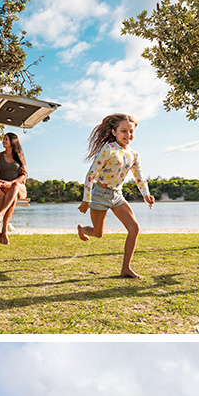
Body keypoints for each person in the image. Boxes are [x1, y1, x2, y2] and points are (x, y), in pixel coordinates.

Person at [77, 113, 155, 278]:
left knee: (134, 228)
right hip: (100, 194)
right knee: (98, 233)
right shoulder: (108, 149)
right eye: (123, 131)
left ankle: (126, 268)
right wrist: (86, 200)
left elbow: (139, 177)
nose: (128, 135)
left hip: (117, 195)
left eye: (131, 131)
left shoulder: (134, 155)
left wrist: (146, 195)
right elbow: (90, 175)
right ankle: (83, 229)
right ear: (114, 132)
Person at [0, 132, 28, 244]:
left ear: (12, 142)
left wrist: (11, 183)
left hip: (19, 187)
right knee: (12, 198)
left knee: (15, 187)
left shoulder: (20, 156)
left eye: (6, 139)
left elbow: (24, 175)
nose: (3, 141)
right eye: (3, 139)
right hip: (4, 187)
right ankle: (3, 230)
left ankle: (0, 216)